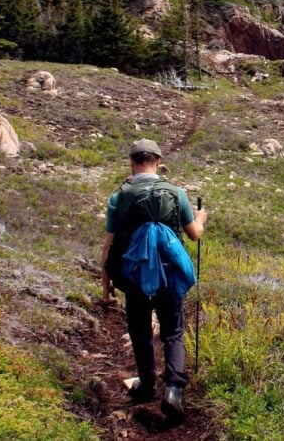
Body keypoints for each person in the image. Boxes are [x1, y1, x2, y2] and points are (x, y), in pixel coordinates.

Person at [101, 139, 207, 417]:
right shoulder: (176, 193)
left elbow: (109, 244)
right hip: (169, 273)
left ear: (132, 163)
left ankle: (146, 385)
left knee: (140, 331)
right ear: (158, 162)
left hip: (134, 274)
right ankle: (173, 390)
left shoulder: (120, 196)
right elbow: (194, 234)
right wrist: (201, 218)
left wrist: (106, 282)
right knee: (173, 331)